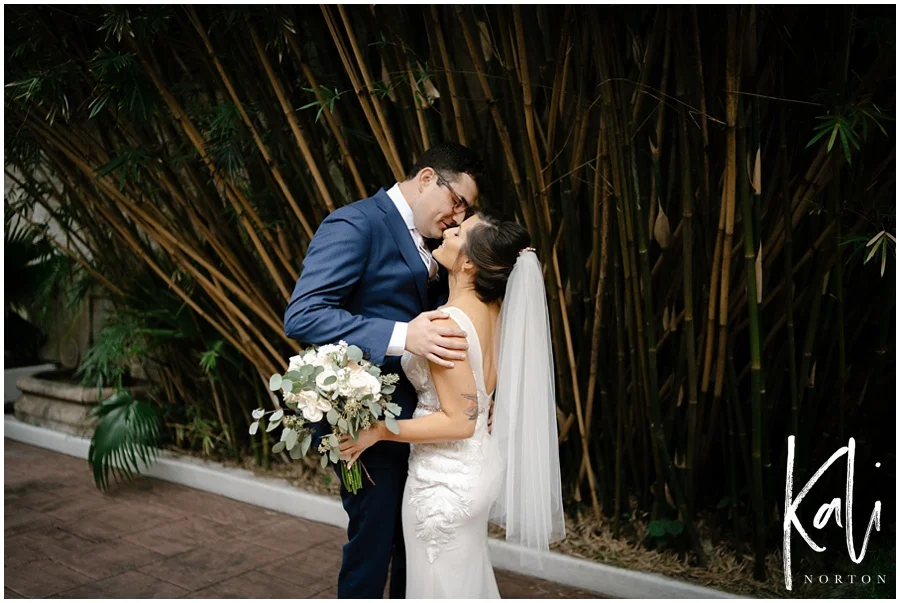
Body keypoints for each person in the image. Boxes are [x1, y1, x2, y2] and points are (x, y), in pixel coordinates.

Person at [283, 142, 489, 599]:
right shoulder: (355, 224)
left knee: (407, 550)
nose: (457, 218)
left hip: (419, 427)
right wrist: (402, 335)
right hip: (364, 423)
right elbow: (303, 315)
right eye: (457, 202)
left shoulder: (437, 244)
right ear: (428, 178)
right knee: (371, 548)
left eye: (466, 210)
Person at [340, 210, 566, 598]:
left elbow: (459, 421)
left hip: (443, 483)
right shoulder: (496, 313)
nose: (449, 230)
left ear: (467, 263)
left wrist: (378, 431)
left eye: (459, 232)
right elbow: (476, 401)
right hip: (475, 468)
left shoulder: (447, 325)